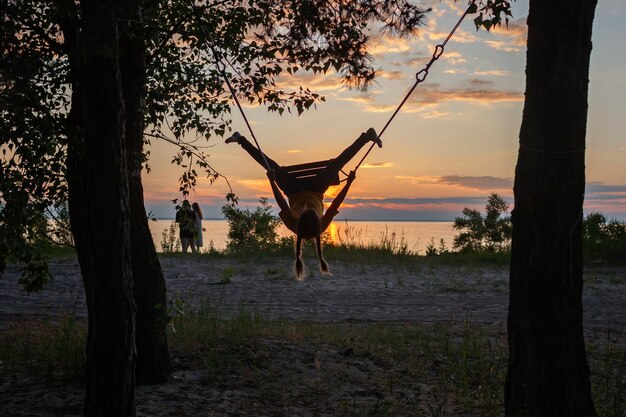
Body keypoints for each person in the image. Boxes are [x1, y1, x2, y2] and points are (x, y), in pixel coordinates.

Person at [225, 128, 381, 278]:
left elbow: (281, 203)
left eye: (305, 210)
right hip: (317, 188)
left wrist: (272, 180)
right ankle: (367, 136)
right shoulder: (322, 225)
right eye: (310, 209)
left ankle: (240, 139)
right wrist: (349, 183)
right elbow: (336, 204)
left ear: (300, 219)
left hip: (292, 189)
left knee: (269, 165)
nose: (307, 207)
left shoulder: (293, 224)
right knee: (337, 164)